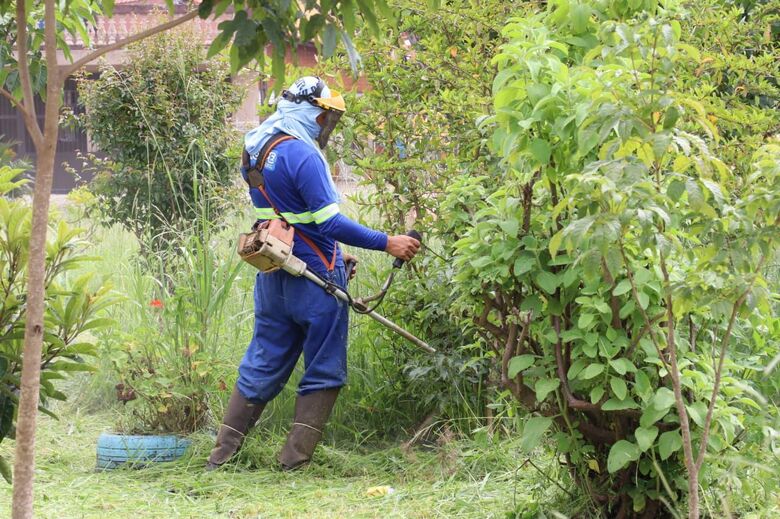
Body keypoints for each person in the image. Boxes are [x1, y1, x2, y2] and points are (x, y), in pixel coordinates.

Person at [206, 76, 420, 471]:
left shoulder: (255, 146)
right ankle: (294, 462)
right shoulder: (302, 154)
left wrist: (340, 254)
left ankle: (221, 456)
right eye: (326, 117)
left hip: (273, 270)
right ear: (311, 111)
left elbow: (289, 215)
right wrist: (387, 241)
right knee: (323, 365)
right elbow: (329, 222)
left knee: (263, 359)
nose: (327, 126)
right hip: (315, 276)